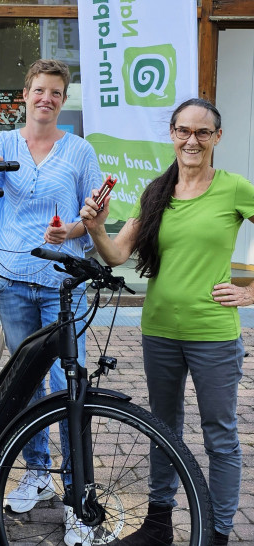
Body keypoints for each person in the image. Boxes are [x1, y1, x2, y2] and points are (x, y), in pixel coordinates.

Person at [80, 98, 251, 546]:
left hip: (213, 334)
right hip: (159, 331)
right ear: (172, 134)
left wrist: (251, 292)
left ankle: (216, 533)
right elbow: (118, 253)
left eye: (202, 132)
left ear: (217, 138)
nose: (191, 140)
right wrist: (96, 229)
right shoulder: (157, 192)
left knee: (220, 437)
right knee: (162, 428)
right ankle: (158, 527)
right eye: (183, 130)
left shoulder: (234, 188)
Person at [0, 59, 101, 546]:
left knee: (70, 384)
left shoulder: (80, 151)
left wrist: (70, 229)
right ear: (24, 95)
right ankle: (37, 472)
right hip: (11, 279)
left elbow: (93, 217)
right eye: (39, 90)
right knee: (24, 383)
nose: (46, 98)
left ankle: (78, 494)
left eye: (55, 92)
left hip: (61, 281)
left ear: (62, 100)